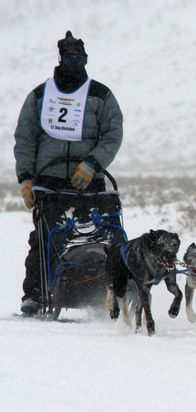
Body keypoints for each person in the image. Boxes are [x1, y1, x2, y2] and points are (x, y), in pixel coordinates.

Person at [14, 31, 123, 315]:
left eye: (80, 57)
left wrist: (93, 164)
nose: (75, 62)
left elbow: (113, 134)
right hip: (48, 182)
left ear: (85, 59)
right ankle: (35, 295)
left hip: (89, 180)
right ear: (61, 58)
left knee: (102, 235)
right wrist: (26, 178)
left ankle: (114, 291)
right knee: (44, 238)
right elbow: (25, 137)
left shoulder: (101, 95)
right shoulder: (40, 95)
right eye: (70, 57)